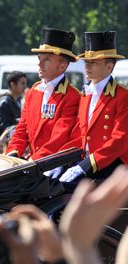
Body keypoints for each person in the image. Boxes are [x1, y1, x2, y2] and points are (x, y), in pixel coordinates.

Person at [59, 31, 128, 182]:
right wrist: (59, 160)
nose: (87, 66)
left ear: (109, 67)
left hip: (112, 167)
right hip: (88, 163)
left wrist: (86, 165)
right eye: (86, 62)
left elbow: (119, 141)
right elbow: (80, 136)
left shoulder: (122, 96)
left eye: (94, 63)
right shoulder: (86, 95)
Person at [6, 28, 81, 160]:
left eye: (47, 59)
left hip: (55, 166)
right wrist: (13, 152)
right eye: (40, 58)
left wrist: (33, 160)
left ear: (62, 66)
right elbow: (22, 129)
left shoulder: (72, 97)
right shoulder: (33, 92)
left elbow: (59, 138)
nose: (39, 63)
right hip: (34, 163)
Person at [0, 71, 26, 135]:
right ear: (12, 84)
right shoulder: (4, 103)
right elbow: (3, 128)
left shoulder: (17, 101)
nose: (25, 86)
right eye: (22, 83)